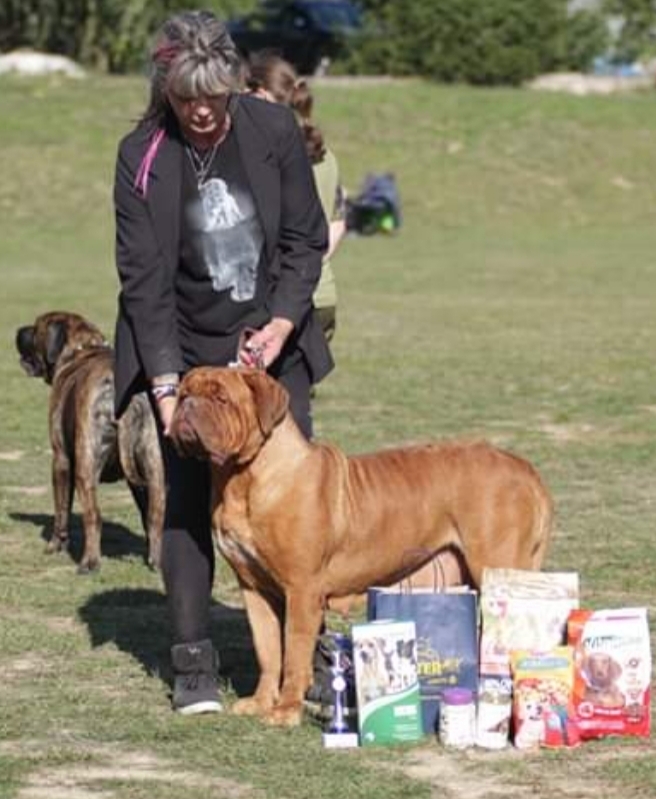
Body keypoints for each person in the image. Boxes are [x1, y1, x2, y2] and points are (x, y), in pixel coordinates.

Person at [112, 10, 332, 715]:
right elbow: (144, 282)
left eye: (213, 95)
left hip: (268, 348)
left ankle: (305, 659)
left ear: (233, 84)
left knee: (292, 504)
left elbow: (305, 240)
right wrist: (167, 389)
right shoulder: (142, 154)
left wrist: (281, 323)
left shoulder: (272, 130)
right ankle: (193, 661)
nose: (202, 111)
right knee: (185, 502)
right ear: (166, 90)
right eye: (186, 98)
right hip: (182, 347)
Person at [246, 53, 346, 344]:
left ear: (259, 94)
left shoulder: (270, 157)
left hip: (284, 301)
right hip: (322, 291)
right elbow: (338, 223)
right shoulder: (327, 157)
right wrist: (312, 263)